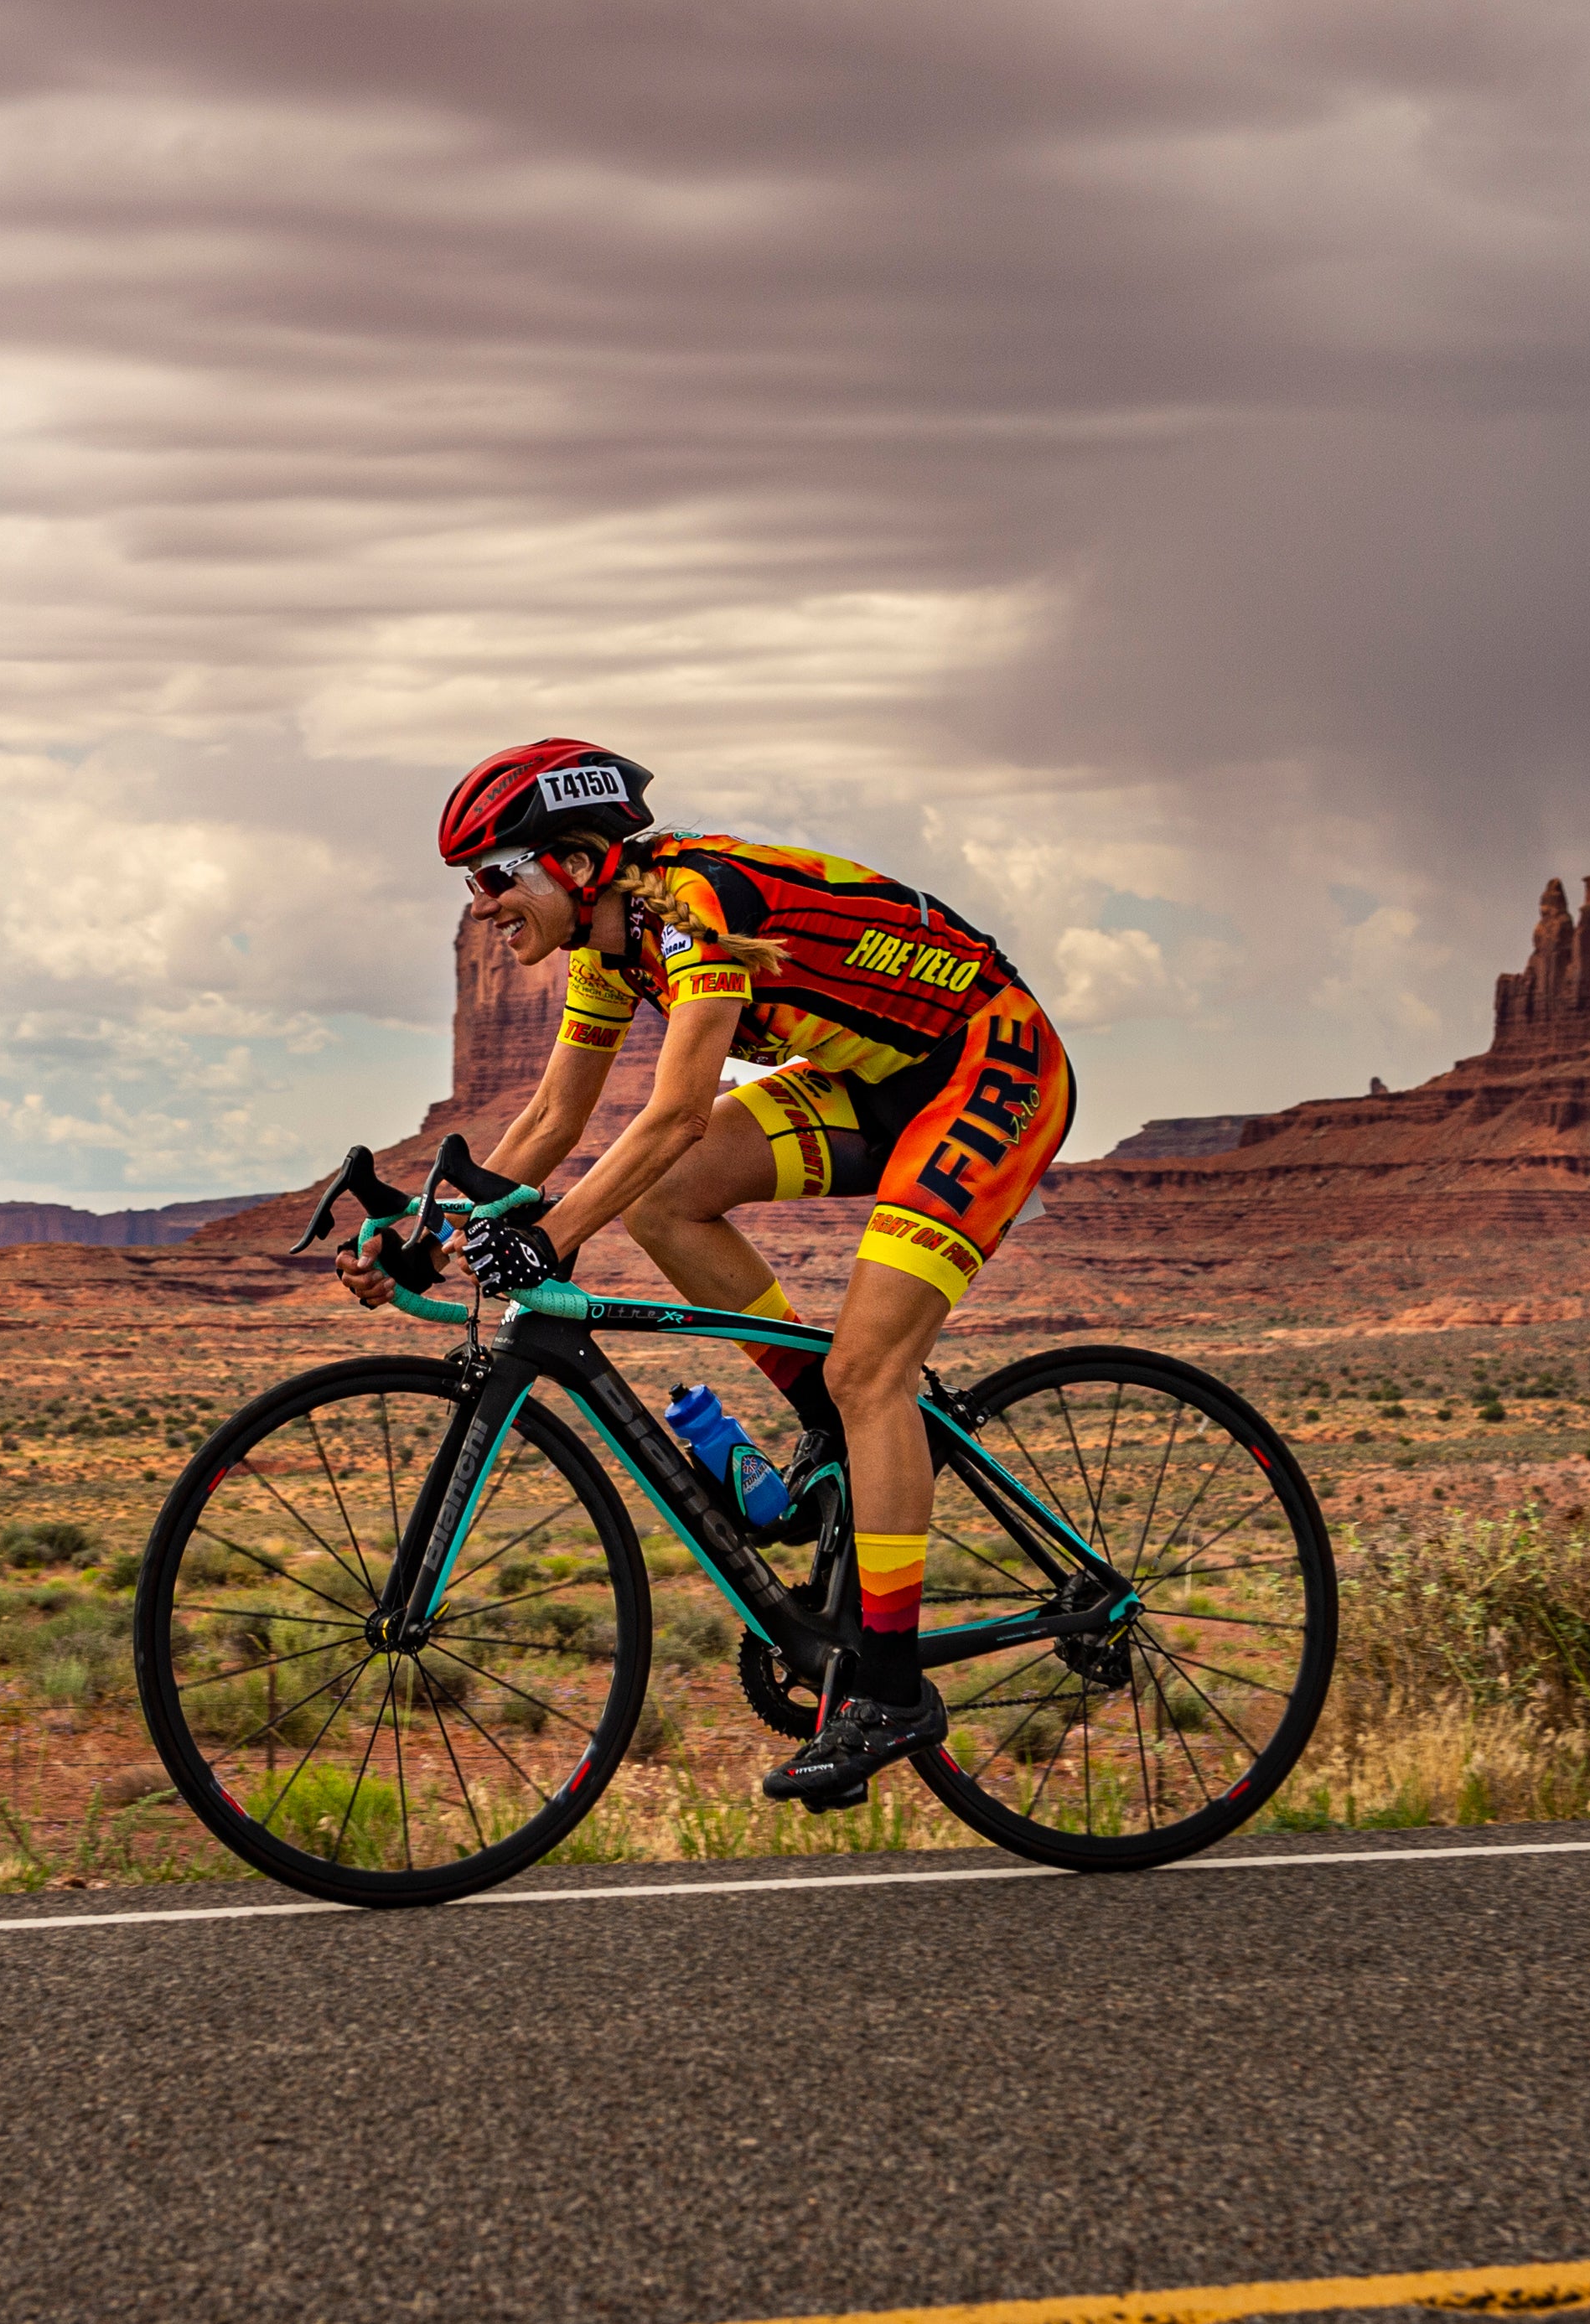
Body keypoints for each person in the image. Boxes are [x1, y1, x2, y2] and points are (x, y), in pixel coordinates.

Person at [340, 739, 1077, 1808]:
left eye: (493, 877)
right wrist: (427, 1228)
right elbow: (552, 1118)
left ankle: (892, 1688)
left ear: (572, 859)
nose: (481, 906)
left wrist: (543, 1239)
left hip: (986, 1064)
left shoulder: (687, 906)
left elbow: (679, 1109)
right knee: (661, 1200)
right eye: (470, 886)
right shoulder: (607, 947)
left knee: (873, 1371)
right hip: (872, 1078)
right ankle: (819, 1412)